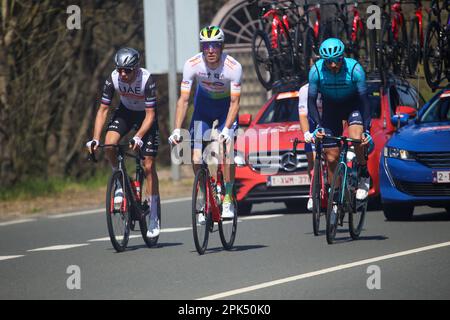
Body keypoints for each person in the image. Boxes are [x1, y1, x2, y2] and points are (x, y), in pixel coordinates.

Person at [86, 47, 161, 238]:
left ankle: (153, 215)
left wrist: (138, 136)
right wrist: (95, 138)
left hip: (145, 116)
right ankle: (119, 180)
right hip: (126, 112)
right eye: (119, 69)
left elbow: (151, 115)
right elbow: (103, 110)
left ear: (136, 68)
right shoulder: (113, 78)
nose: (122, 73)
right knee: (109, 145)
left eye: (126, 70)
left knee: (148, 165)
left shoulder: (146, 79)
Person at [168, 26, 242, 219]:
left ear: (221, 46)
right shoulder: (192, 64)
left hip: (226, 109)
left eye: (215, 45)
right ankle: (205, 194)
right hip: (203, 109)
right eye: (206, 45)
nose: (210, 50)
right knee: (195, 156)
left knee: (227, 150)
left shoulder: (233, 67)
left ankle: (227, 198)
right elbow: (183, 100)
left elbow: (235, 103)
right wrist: (176, 129)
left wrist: (226, 129)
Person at [306, 38, 373, 201]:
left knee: (357, 138)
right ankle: (335, 195)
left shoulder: (355, 69)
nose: (333, 65)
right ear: (323, 60)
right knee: (331, 157)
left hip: (353, 105)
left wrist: (367, 130)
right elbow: (311, 102)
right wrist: (317, 126)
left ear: (342, 57)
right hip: (331, 108)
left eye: (337, 60)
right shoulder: (315, 71)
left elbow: (365, 101)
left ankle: (363, 173)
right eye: (329, 62)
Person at [298, 82, 322, 211]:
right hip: (312, 123)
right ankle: (313, 193)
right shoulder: (304, 90)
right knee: (312, 160)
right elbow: (302, 115)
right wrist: (306, 133)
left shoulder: (330, 85)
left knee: (332, 157)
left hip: (329, 120)